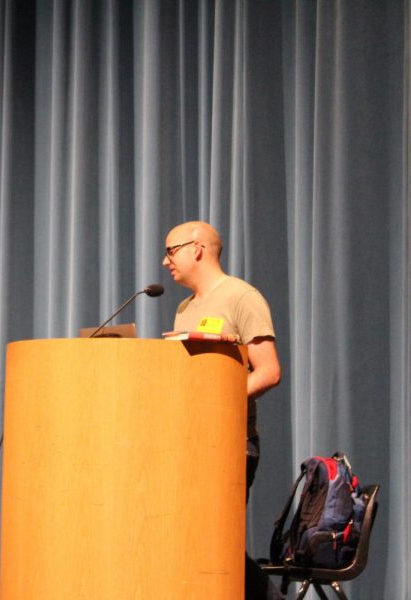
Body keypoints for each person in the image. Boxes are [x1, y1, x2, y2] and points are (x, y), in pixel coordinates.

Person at [162, 221, 282, 600]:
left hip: (230, 444)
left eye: (170, 250)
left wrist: (218, 403)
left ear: (197, 248)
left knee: (216, 544)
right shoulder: (184, 308)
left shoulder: (241, 297)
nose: (165, 262)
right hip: (188, 444)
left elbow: (269, 371)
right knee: (189, 542)